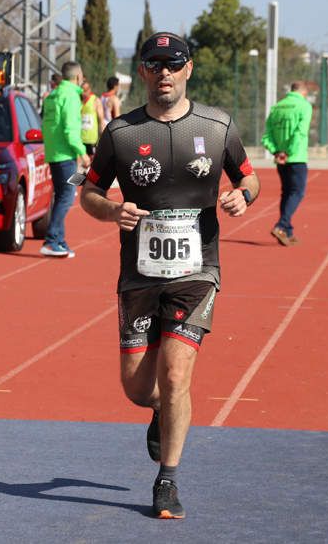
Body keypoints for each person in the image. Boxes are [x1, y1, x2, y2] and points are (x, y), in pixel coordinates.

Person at [79, 32, 260, 519]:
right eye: (154, 64)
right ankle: (160, 409)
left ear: (188, 69)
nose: (164, 73)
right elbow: (89, 194)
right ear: (142, 72)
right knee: (139, 387)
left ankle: (168, 480)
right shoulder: (120, 132)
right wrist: (111, 210)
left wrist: (244, 195)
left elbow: (250, 175)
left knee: (177, 374)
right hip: (138, 273)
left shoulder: (217, 126)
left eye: (172, 64)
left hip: (197, 269)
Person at [40, 61, 90, 258]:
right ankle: (51, 241)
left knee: (62, 195)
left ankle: (60, 240)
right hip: (65, 154)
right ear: (78, 76)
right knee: (67, 196)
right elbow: (70, 129)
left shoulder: (53, 94)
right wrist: (83, 153)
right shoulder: (70, 95)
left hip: (54, 153)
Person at [262, 81, 312, 246]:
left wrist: (276, 151)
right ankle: (281, 225)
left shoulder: (277, 107)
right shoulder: (304, 106)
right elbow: (300, 132)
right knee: (297, 192)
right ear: (303, 92)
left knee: (286, 193)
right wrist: (288, 152)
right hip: (295, 157)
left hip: (280, 159)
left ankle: (288, 232)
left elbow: (267, 135)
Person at [80, 80, 105, 162]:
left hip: (91, 139)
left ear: (89, 89)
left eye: (86, 90)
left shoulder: (95, 100)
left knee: (92, 162)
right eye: (82, 90)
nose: (84, 93)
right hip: (79, 138)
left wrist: (103, 136)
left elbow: (101, 120)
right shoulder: (78, 100)